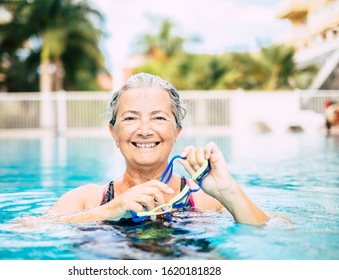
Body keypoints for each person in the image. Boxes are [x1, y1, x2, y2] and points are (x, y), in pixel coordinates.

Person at [43, 73, 268, 225]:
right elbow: (24, 231)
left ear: (176, 132)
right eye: (130, 118)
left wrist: (227, 191)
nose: (144, 130)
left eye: (158, 118)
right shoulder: (87, 200)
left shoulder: (205, 201)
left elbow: (276, 230)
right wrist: (109, 210)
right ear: (114, 133)